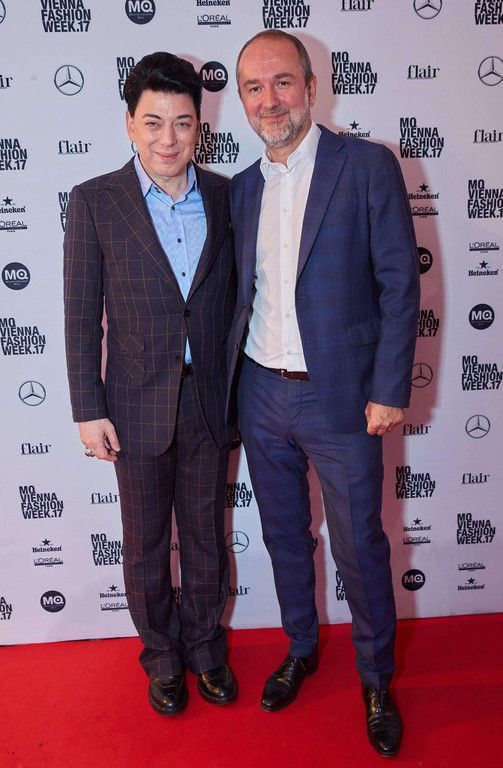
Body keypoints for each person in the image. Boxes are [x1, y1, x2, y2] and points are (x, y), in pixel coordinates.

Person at [226, 31, 419, 756]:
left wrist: (389, 387)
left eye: (281, 82)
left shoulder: (366, 166)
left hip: (342, 399)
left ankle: (375, 679)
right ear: (241, 101)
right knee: (283, 535)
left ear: (310, 87)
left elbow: (399, 284)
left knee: (359, 544)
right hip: (260, 393)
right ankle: (300, 648)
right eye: (253, 88)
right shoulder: (242, 189)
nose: (268, 100)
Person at [64, 52, 237, 716]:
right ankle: (161, 658)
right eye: (154, 122)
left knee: (206, 538)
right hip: (134, 404)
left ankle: (206, 650)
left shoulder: (226, 196)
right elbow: (81, 314)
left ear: (199, 127)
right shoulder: (94, 201)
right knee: (143, 546)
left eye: (182, 123)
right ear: (129, 124)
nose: (168, 139)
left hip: (209, 401)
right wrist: (88, 408)